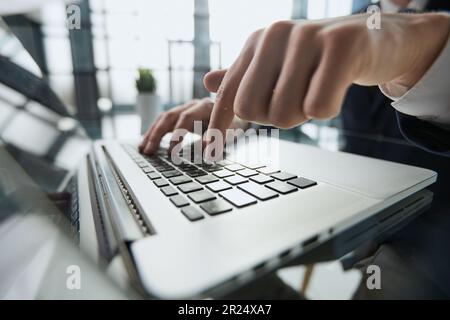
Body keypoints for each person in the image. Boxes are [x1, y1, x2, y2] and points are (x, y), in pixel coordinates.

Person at [140, 2, 450, 299]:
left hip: (430, 239)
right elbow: (300, 106)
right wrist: (237, 118)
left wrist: (428, 46)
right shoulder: (353, 22)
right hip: (344, 217)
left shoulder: (373, 27)